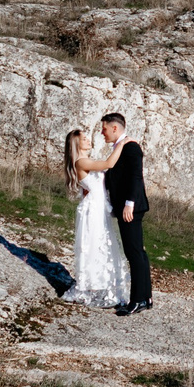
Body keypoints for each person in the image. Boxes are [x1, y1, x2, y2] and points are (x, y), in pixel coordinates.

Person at [59, 126, 132, 309]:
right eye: (84, 139)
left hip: (98, 206)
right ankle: (91, 286)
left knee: (102, 243)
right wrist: (121, 143)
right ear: (77, 144)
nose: (88, 140)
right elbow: (108, 164)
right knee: (94, 244)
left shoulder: (85, 161)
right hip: (93, 209)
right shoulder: (81, 162)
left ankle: (100, 284)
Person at [99, 111, 152, 314]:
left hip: (131, 208)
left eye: (104, 129)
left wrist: (129, 204)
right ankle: (145, 298)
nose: (102, 133)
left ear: (114, 128)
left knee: (134, 252)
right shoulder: (122, 147)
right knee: (138, 252)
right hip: (128, 207)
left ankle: (138, 300)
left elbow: (135, 177)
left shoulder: (131, 148)